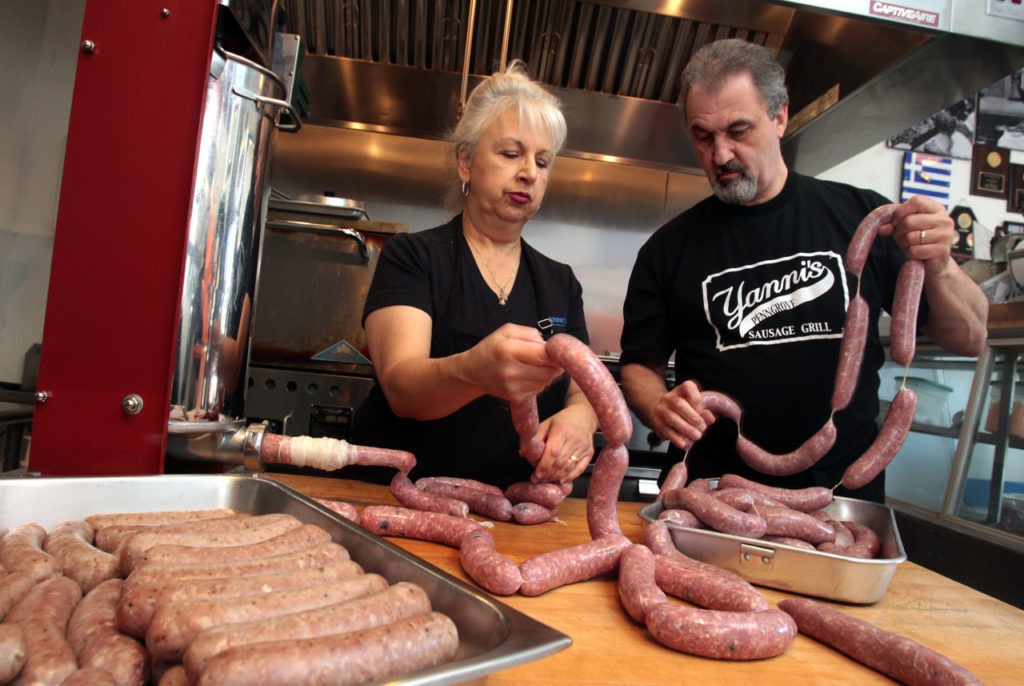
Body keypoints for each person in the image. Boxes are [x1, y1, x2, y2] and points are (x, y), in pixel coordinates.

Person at [620, 39, 989, 503]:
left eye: (738, 130)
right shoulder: (667, 248)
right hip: (711, 497)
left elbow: (970, 338)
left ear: (779, 117)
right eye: (703, 136)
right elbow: (639, 364)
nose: (720, 155)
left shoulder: (863, 219)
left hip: (839, 498)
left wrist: (940, 265)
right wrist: (658, 405)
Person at [351, 61, 598, 490]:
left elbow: (585, 386)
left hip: (511, 510)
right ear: (465, 162)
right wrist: (475, 371)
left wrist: (580, 418)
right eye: (510, 154)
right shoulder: (413, 257)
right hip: (399, 498)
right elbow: (401, 387)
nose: (529, 172)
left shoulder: (561, 282)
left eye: (543, 162)